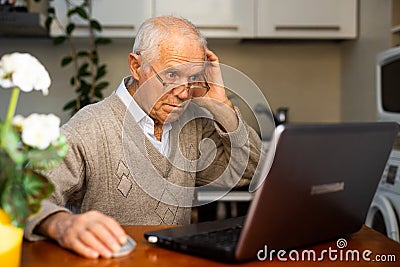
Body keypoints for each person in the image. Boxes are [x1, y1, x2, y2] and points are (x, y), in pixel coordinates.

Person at [24, 16, 263, 259]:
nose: (183, 93)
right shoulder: (90, 126)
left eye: (192, 78)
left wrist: (220, 103)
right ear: (136, 67)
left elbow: (251, 170)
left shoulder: (193, 125)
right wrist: (62, 224)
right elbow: (24, 196)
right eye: (171, 75)